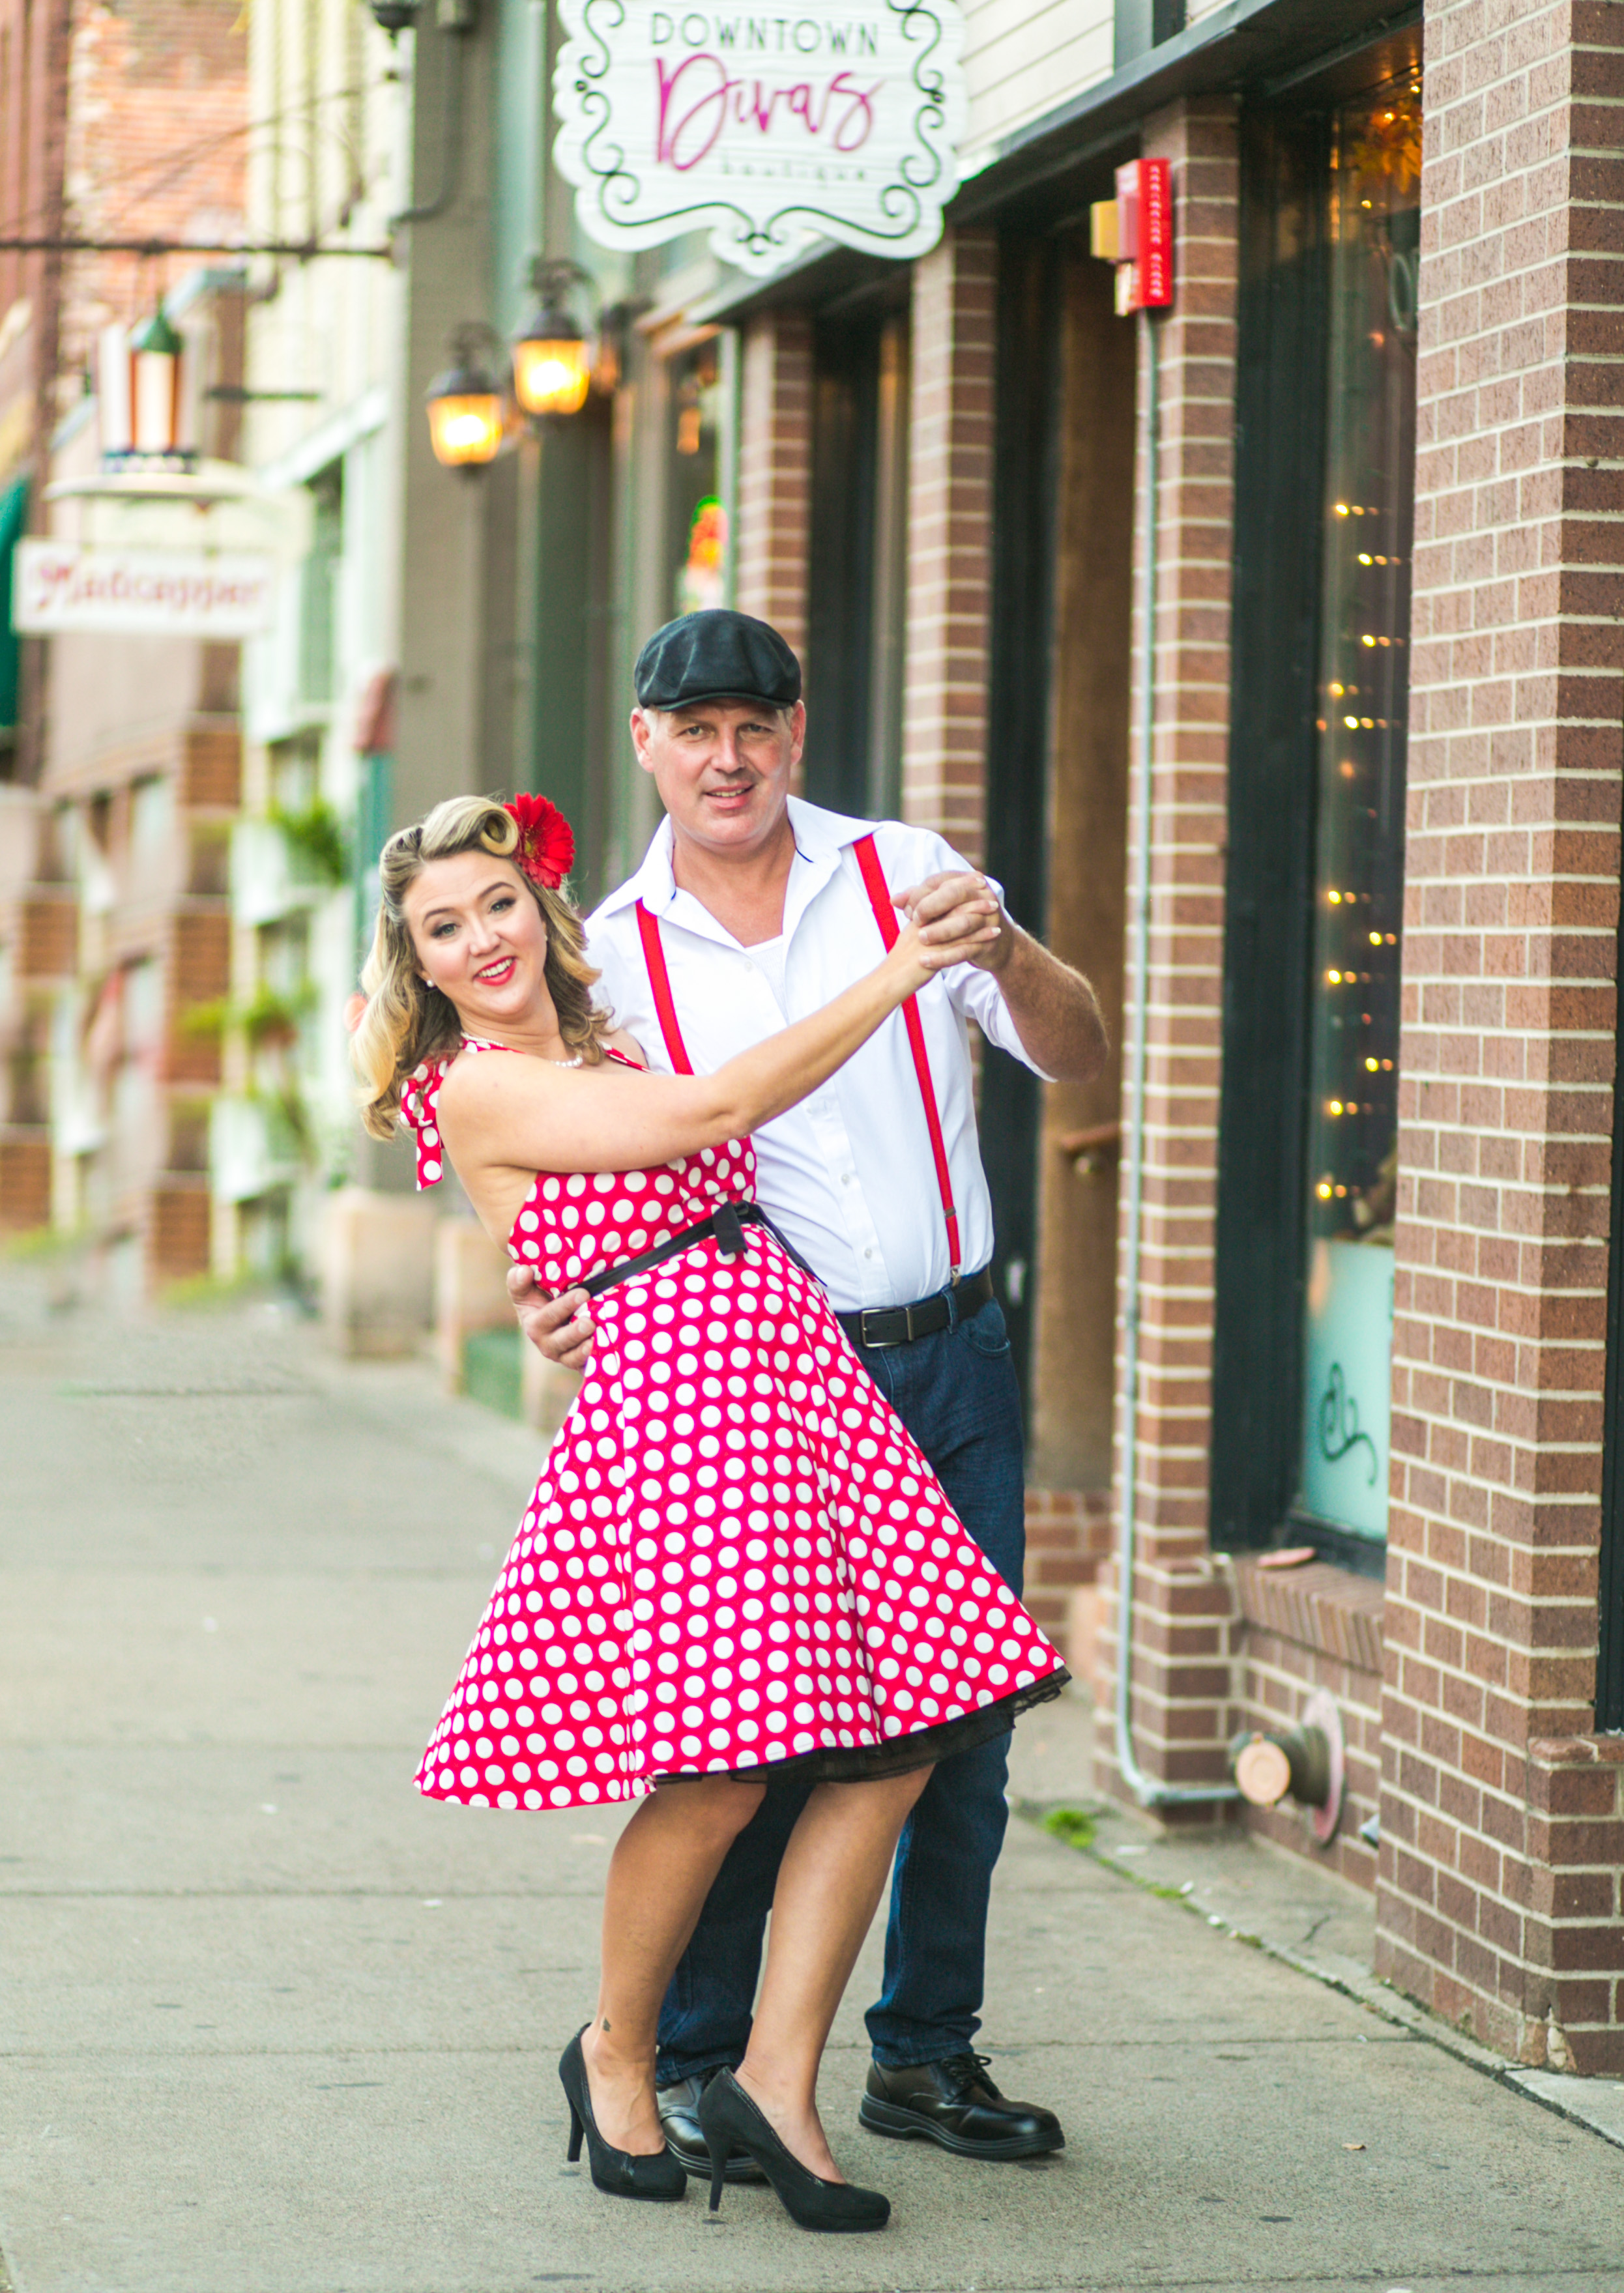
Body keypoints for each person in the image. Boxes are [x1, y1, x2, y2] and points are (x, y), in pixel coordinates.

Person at [350, 787, 1069, 2233]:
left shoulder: (608, 1035)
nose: (481, 936)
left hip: (801, 1391)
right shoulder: (480, 1082)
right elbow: (719, 1111)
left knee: (901, 1744)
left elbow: (689, 1176)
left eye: (496, 902)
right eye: (445, 925)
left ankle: (779, 2080)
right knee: (726, 1774)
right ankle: (614, 2046)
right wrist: (903, 965)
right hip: (686, 1427)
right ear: (416, 964)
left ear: (537, 909)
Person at [512, 609, 1108, 2180]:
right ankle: (701, 2062)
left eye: (755, 724)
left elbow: (1079, 1050)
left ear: (796, 728)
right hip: (767, 1388)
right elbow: (587, 1173)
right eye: (694, 727)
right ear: (645, 740)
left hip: (957, 1352)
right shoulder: (607, 959)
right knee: (749, 1746)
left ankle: (922, 2052)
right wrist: (561, 1296)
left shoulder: (903, 870)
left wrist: (1012, 952)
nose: (727, 756)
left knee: (961, 1735)